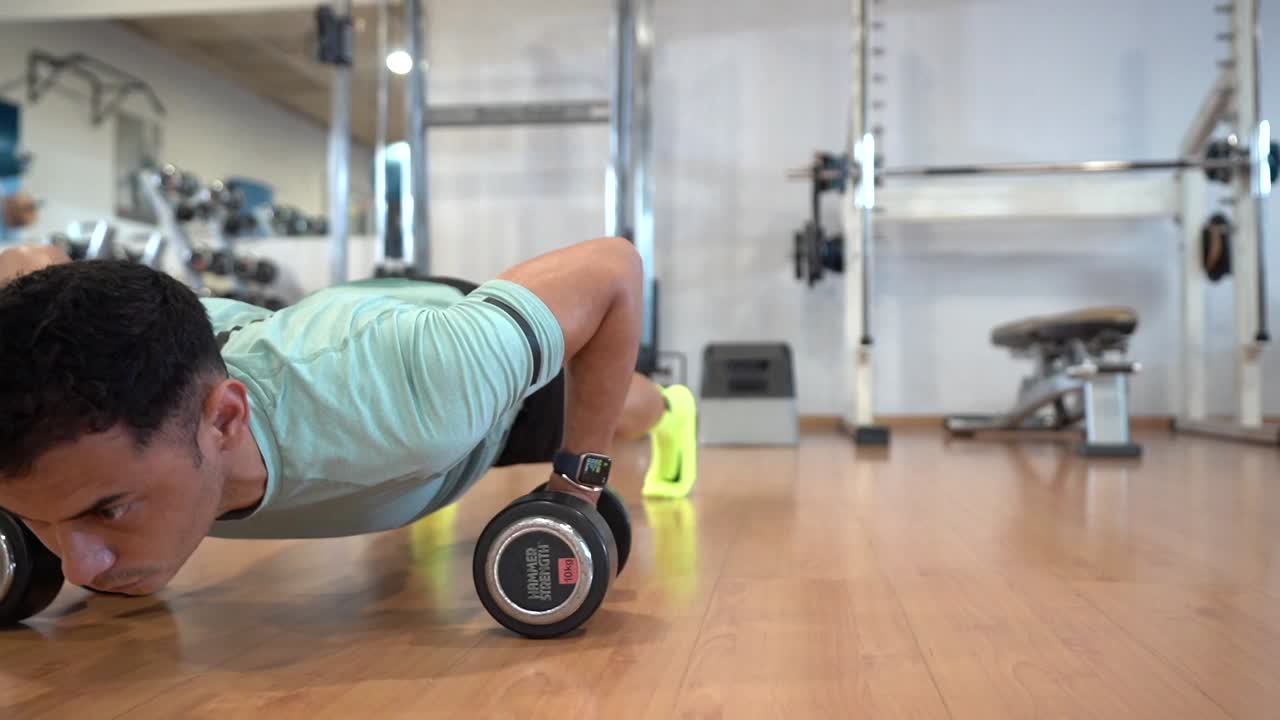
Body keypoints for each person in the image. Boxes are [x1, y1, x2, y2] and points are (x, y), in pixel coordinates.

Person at [0, 237, 697, 596]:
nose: (77, 568)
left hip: (427, 353)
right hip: (274, 338)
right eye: (37, 521)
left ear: (223, 423)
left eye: (108, 511)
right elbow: (29, 262)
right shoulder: (112, 426)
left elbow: (612, 268)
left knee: (622, 403)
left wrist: (577, 486)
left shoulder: (426, 391)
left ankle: (676, 412)